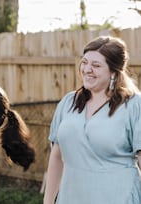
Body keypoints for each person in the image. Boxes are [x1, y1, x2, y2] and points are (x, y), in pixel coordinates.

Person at [43, 36, 141, 204]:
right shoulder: (68, 102)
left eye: (96, 65)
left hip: (118, 197)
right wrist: (49, 201)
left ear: (113, 71)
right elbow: (57, 157)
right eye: (85, 62)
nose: (87, 69)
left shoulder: (133, 105)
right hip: (71, 197)